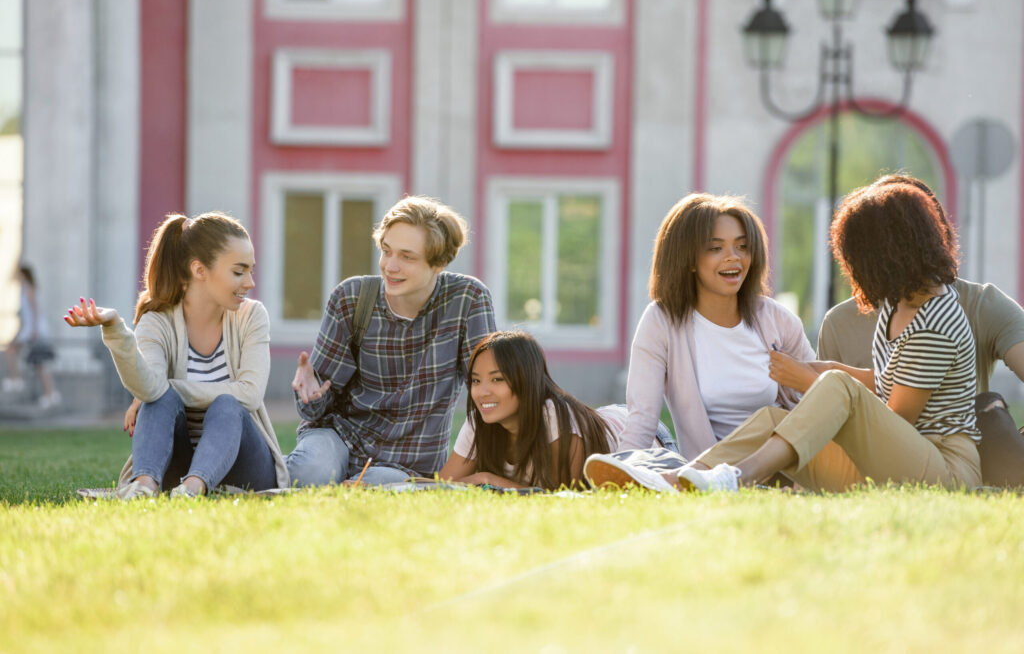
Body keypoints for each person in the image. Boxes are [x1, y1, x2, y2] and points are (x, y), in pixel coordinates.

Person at [601, 179, 982, 493]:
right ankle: (680, 481)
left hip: (942, 471)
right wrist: (830, 369)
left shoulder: (936, 319)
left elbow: (896, 421)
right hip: (891, 465)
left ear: (888, 253)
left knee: (833, 387)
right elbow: (888, 384)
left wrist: (812, 378)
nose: (852, 268)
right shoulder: (899, 306)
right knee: (772, 418)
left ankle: (734, 478)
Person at [817, 174, 1024, 487]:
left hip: (952, 459)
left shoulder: (980, 304)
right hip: (868, 463)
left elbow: (895, 417)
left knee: (989, 406)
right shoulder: (840, 322)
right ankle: (722, 474)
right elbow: (827, 418)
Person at [64, 212, 289, 499]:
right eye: (238, 271)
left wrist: (167, 387)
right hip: (176, 461)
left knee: (227, 405)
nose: (249, 282)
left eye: (250, 271)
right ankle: (143, 487)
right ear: (199, 270)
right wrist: (115, 330)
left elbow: (251, 394)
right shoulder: (156, 321)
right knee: (159, 400)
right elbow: (150, 389)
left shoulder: (252, 317)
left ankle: (192, 490)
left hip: (244, 465)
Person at [287, 195, 496, 486]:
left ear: (440, 262)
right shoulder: (352, 298)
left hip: (407, 461)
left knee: (377, 490)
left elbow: (488, 390)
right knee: (307, 474)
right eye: (386, 251)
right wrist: (311, 394)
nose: (390, 266)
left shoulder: (467, 300)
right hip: (339, 437)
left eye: (407, 257)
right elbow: (316, 409)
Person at [612, 193, 814, 460]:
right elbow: (642, 420)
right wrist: (618, 475)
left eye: (742, 246)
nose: (734, 258)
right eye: (715, 248)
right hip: (708, 472)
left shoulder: (778, 320)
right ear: (689, 260)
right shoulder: (662, 321)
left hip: (782, 467)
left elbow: (818, 400)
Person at [438, 331, 674, 489]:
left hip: (648, 443)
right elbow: (442, 486)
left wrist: (488, 479)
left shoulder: (553, 417)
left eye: (497, 379)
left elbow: (564, 498)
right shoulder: (479, 422)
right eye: (476, 381)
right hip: (604, 418)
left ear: (526, 380)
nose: (482, 392)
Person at [3, 264, 61, 408]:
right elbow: (24, 317)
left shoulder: (28, 290)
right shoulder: (23, 290)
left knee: (39, 363)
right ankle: (48, 393)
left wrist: (34, 330)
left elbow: (34, 311)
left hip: (34, 332)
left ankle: (18, 381)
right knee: (36, 363)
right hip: (29, 331)